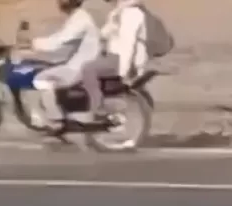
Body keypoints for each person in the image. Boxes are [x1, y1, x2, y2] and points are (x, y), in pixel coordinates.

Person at [27, 0, 102, 128]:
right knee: (46, 68)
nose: (58, 2)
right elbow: (62, 40)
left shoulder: (80, 20)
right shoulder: (78, 16)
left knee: (39, 79)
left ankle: (55, 119)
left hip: (78, 68)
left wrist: (32, 43)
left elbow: (58, 42)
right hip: (80, 63)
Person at [82, 0, 149, 121]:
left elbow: (128, 44)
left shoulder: (132, 13)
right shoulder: (119, 11)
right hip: (115, 57)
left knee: (87, 69)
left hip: (121, 60)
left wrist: (123, 71)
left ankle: (98, 108)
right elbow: (105, 33)